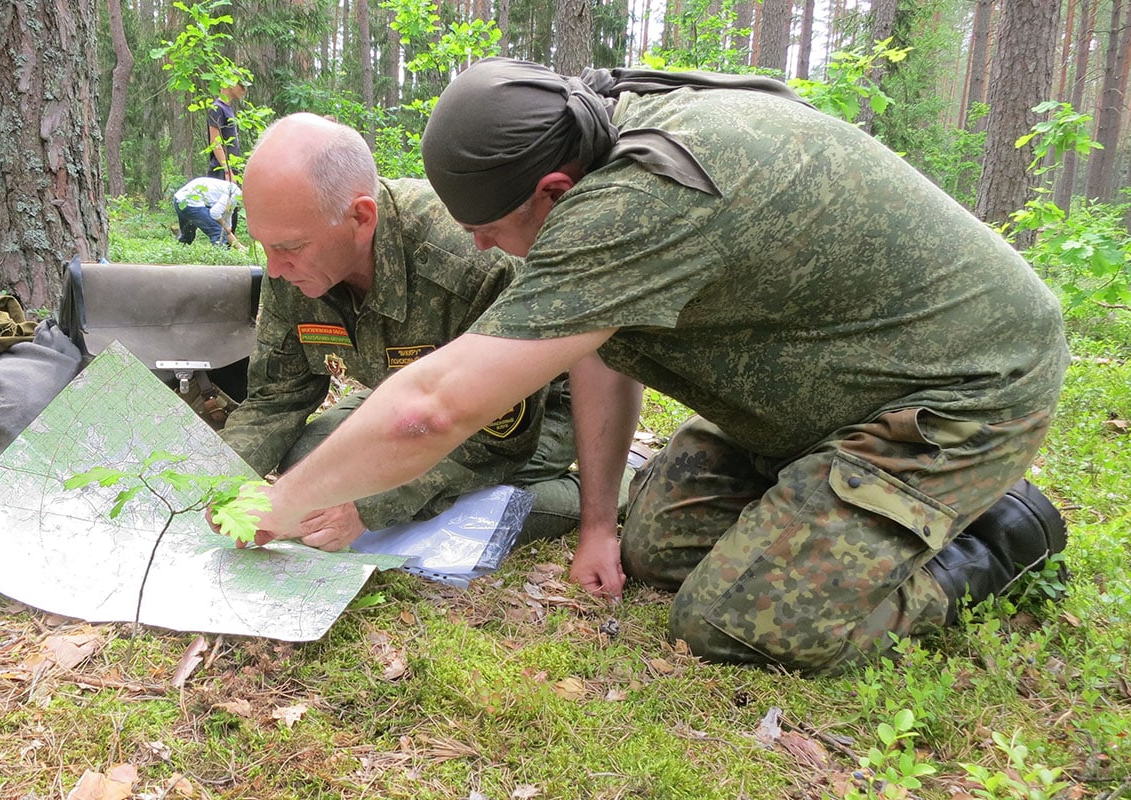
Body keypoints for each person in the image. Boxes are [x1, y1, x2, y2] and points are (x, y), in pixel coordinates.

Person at [211, 60, 1069, 675]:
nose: (483, 249)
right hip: (820, 393)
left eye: (491, 230)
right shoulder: (593, 127)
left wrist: (283, 503)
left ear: (551, 191)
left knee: (734, 624)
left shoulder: (635, 200)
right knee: (656, 548)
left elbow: (432, 408)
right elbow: (601, 347)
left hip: (959, 390)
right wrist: (596, 526)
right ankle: (839, 503)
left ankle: (998, 537)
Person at [219, 112, 618, 551]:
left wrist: (367, 507)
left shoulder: (468, 262)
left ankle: (611, 486)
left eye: (290, 247)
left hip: (533, 416)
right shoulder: (290, 263)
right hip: (406, 410)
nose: (275, 268)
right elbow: (275, 398)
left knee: (466, 523)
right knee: (306, 461)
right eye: (264, 245)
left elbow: (500, 441)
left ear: (361, 218)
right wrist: (213, 484)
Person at [173, 176, 241, 246]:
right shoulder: (233, 194)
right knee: (218, 232)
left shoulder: (233, 192)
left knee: (188, 235)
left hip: (179, 199)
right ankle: (220, 252)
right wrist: (225, 226)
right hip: (190, 202)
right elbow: (215, 213)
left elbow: (227, 230)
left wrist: (241, 248)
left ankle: (179, 250)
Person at [208, 81, 246, 183]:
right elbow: (215, 142)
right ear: (230, 84)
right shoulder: (217, 108)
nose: (244, 91)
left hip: (231, 168)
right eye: (241, 86)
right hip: (221, 172)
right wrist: (227, 171)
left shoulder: (227, 108)